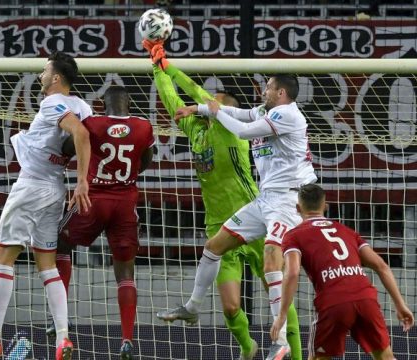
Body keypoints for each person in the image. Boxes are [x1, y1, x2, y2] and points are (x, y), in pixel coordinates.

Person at [143, 41, 302, 360]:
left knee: (282, 298)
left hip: (259, 217)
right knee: (230, 307)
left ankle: (295, 354)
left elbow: (201, 98)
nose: (212, 103)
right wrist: (157, 67)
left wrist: (173, 68)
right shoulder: (194, 130)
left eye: (218, 102)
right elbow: (172, 99)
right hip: (220, 224)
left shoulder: (233, 129)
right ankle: (248, 348)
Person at [0, 51, 92, 360]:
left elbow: (81, 133)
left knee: (3, 256)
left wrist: (83, 181)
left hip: (32, 185)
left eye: (45, 71)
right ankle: (63, 338)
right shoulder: (84, 105)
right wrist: (80, 179)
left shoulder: (52, 104)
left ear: (56, 78)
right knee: (46, 263)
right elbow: (88, 137)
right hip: (55, 187)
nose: (41, 75)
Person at [52, 85, 155, 360]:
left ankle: (60, 320)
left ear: (103, 104)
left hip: (93, 199)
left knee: (59, 242)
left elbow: (68, 146)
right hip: (125, 202)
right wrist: (124, 176)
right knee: (125, 272)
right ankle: (126, 339)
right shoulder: (144, 126)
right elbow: (146, 160)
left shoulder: (93, 123)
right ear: (129, 103)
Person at [270, 184, 414, 359]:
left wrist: (281, 315)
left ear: (298, 208)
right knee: (385, 357)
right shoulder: (347, 231)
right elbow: (381, 266)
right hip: (365, 299)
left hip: (333, 303)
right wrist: (400, 304)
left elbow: (292, 272)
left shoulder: (293, 235)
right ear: (325, 206)